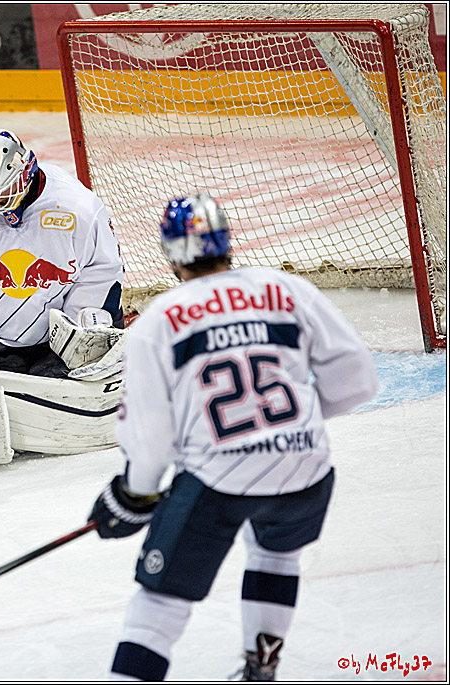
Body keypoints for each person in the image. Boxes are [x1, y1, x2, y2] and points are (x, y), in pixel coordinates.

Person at [88, 193, 378, 680]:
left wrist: (132, 495)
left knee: (161, 600)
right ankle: (260, 669)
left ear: (170, 252)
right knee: (275, 554)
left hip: (219, 483)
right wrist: (289, 428)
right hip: (308, 472)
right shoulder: (285, 290)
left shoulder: (159, 320)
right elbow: (358, 382)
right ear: (226, 240)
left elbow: (152, 438)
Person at [0, 129, 127, 463]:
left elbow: (104, 273)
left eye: (5, 192)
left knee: (91, 386)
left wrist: (83, 337)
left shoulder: (79, 207)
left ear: (26, 170)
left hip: (57, 342)